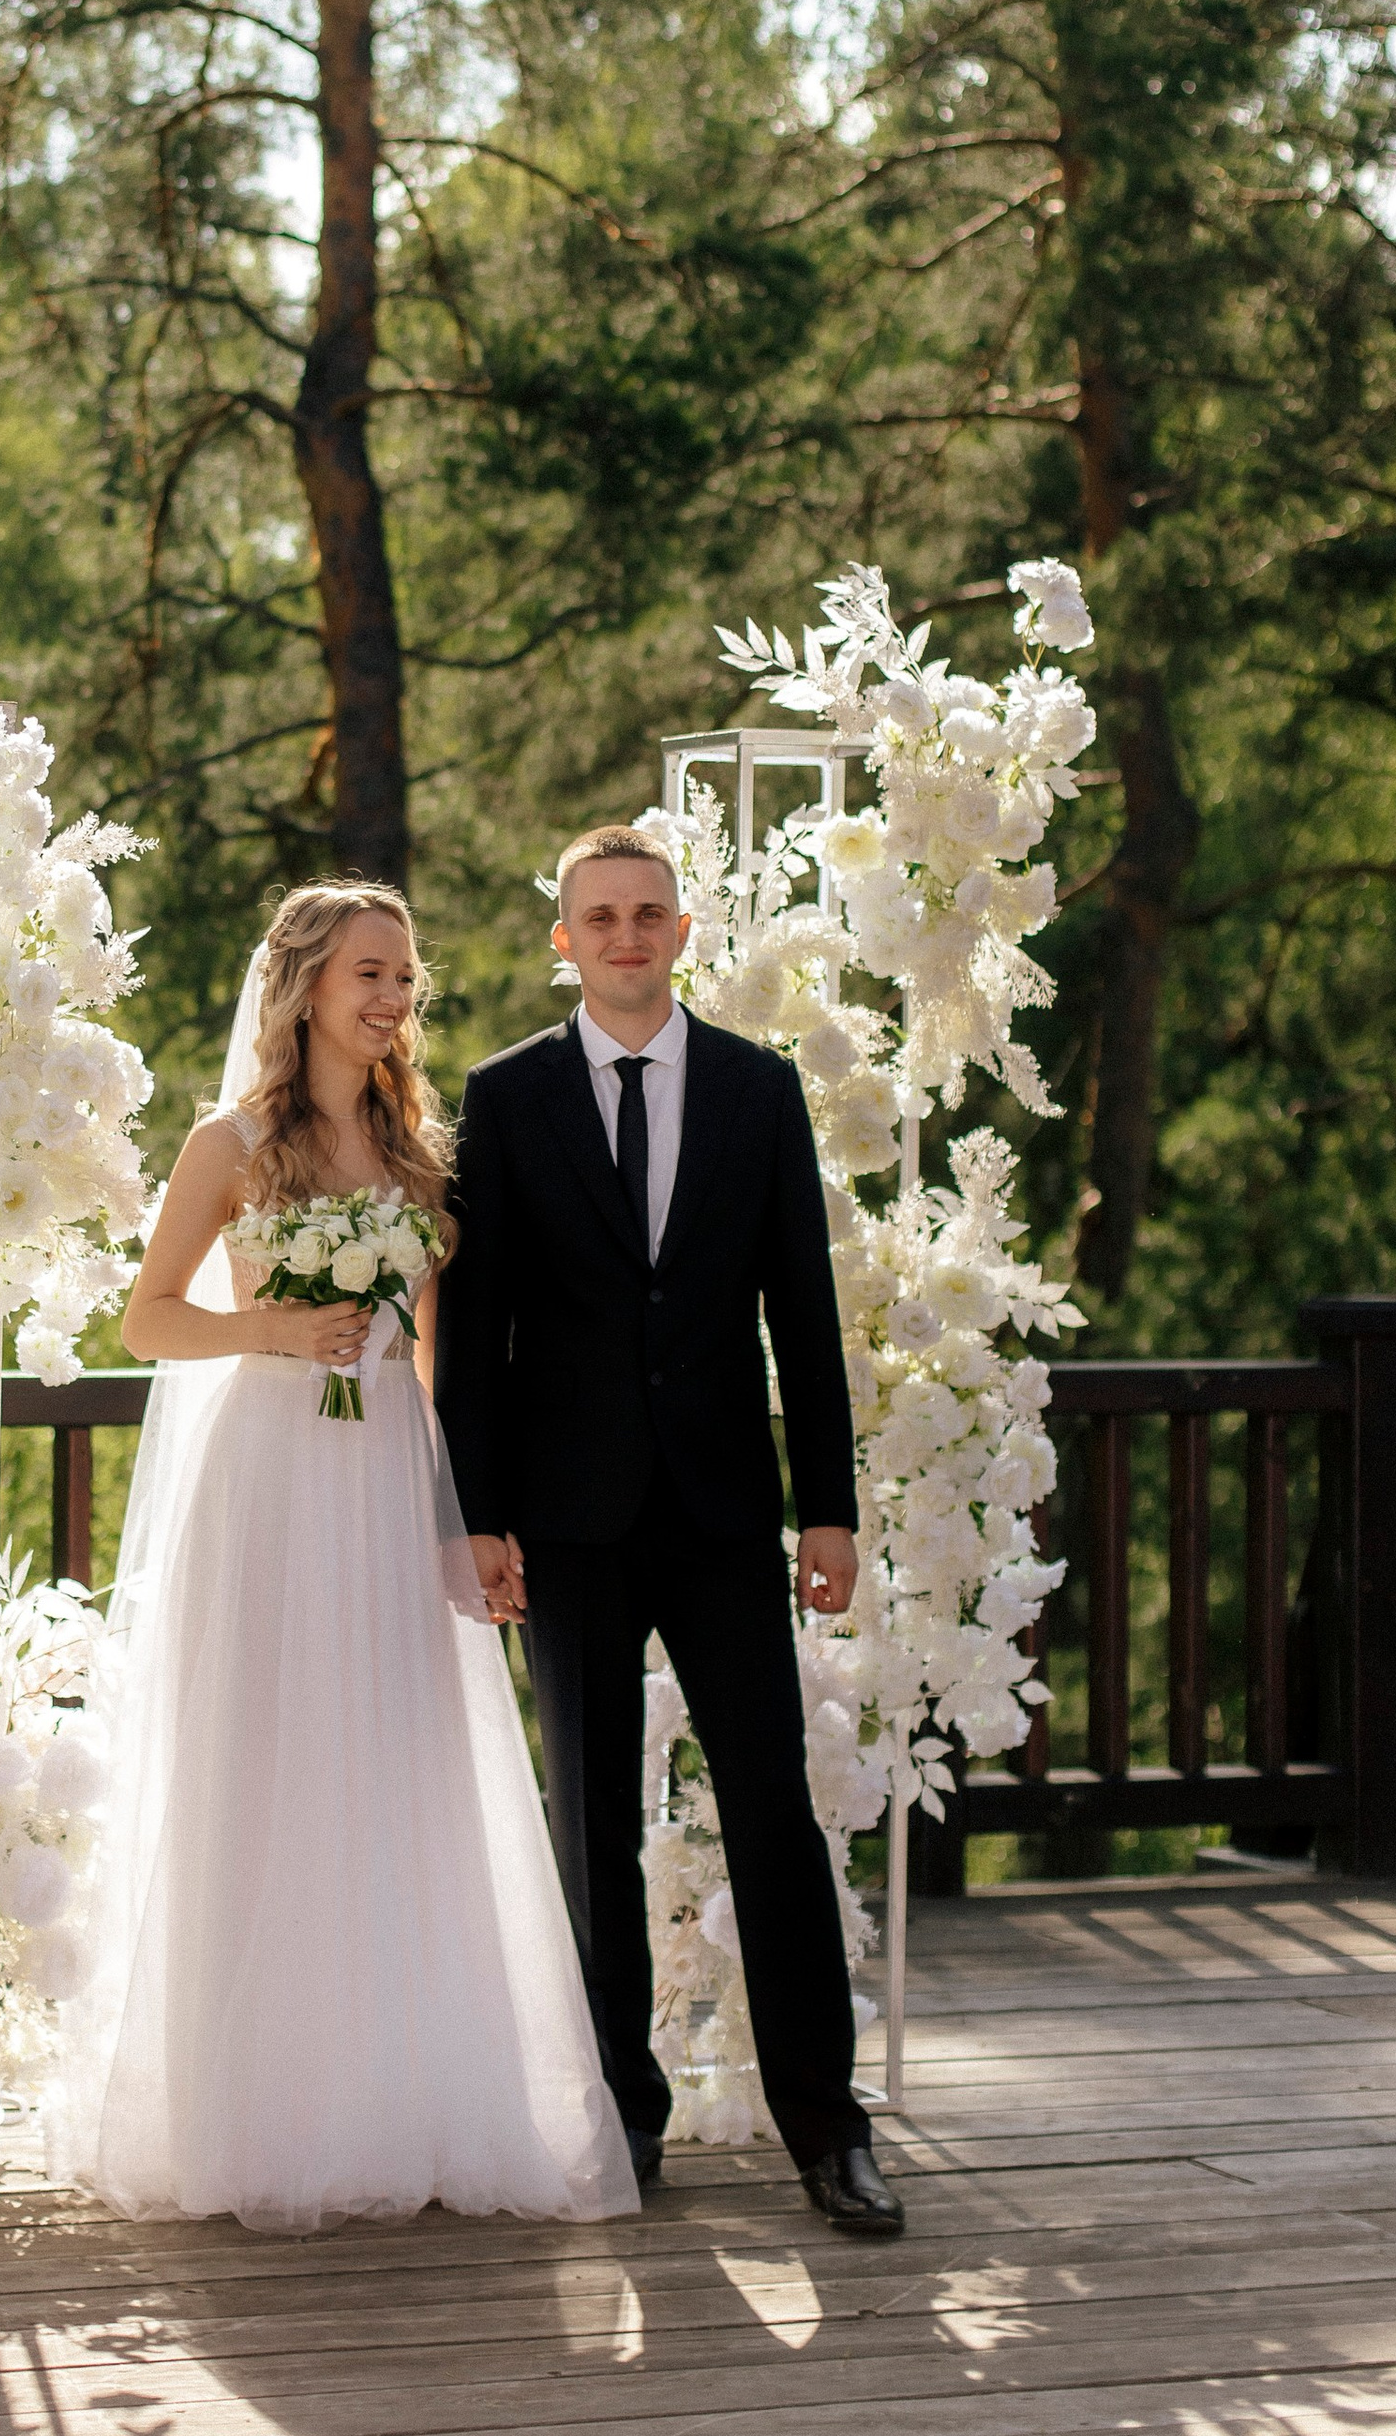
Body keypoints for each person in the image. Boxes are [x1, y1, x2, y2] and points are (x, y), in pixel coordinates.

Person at [47, 882, 635, 2235]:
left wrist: (459, 1520)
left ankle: (402, 2097)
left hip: (380, 1478)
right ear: (308, 983)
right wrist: (268, 1330)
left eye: (408, 979)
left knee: (394, 1760)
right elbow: (144, 1321)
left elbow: (434, 1359)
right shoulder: (232, 1140)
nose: (393, 998)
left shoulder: (416, 1148)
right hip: (265, 1477)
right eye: (373, 972)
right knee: (266, 1763)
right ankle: (251, 2110)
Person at [435, 824, 903, 2236]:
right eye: (600, 917)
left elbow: (800, 1317)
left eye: (648, 914)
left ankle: (827, 2127)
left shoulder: (760, 1093)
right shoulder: (503, 1100)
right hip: (566, 1524)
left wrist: (828, 1503)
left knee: (774, 1815)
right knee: (592, 1837)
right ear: (563, 940)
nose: (626, 936)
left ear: (682, 933)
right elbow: (478, 1335)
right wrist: (478, 1516)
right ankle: (621, 2123)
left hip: (718, 1514)